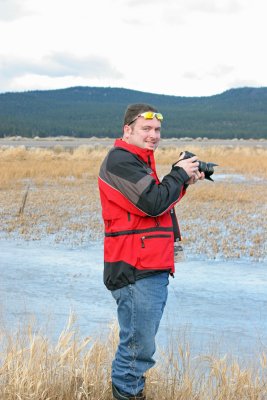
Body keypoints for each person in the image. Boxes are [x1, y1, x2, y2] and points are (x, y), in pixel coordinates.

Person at [98, 103, 204, 400]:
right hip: (135, 268)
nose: (153, 135)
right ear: (127, 130)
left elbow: (156, 207)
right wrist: (178, 175)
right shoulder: (120, 161)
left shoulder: (140, 161)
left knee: (140, 349)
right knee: (137, 351)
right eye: (146, 129)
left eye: (157, 130)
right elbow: (152, 202)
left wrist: (181, 182)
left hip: (150, 266)